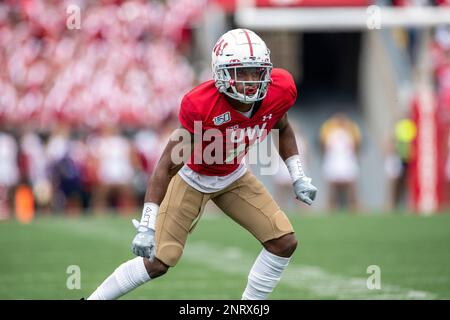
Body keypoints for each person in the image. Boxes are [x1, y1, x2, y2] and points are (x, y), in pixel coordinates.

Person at [87, 28, 317, 300]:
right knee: (159, 259)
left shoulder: (279, 90)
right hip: (192, 177)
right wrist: (148, 225)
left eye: (256, 71)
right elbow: (166, 166)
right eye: (241, 72)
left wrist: (298, 175)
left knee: (284, 241)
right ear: (221, 73)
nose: (251, 80)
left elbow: (282, 126)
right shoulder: (201, 104)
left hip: (234, 175)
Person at [319, 112, 361, 212]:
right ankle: (331, 207)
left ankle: (353, 206)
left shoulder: (351, 128)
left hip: (347, 160)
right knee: (331, 186)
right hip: (333, 160)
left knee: (351, 185)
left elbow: (357, 144)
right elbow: (323, 145)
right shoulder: (328, 129)